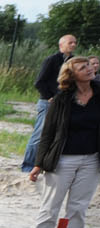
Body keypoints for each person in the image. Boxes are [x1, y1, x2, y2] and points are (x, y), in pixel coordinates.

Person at [27, 56, 98, 228]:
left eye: (89, 65)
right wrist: (38, 164)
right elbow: (47, 133)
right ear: (72, 75)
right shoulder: (61, 99)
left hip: (92, 160)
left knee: (78, 208)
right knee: (50, 207)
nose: (89, 69)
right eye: (83, 67)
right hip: (62, 160)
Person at [23, 35, 76, 174]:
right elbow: (39, 82)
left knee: (57, 134)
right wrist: (49, 96)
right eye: (70, 42)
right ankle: (28, 166)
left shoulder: (73, 61)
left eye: (75, 42)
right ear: (61, 45)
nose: (73, 45)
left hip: (64, 103)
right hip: (48, 102)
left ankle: (44, 164)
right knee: (40, 134)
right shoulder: (52, 60)